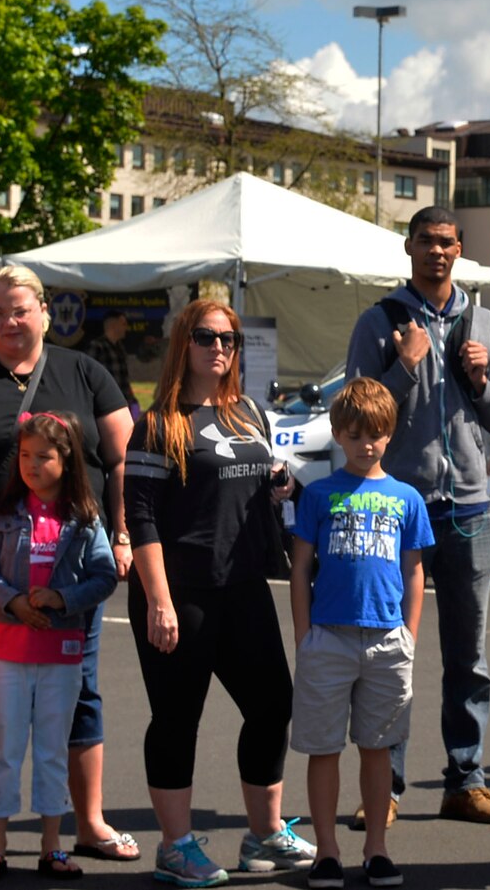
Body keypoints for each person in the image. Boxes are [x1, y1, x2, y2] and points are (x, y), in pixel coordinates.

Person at [0, 265, 137, 863]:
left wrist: (121, 533)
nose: (10, 322)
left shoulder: (85, 372)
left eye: (20, 309)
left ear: (43, 310)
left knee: (81, 692)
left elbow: (123, 459)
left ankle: (88, 823)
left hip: (72, 570)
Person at [342, 205, 490, 826]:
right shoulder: (380, 321)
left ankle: (464, 780)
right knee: (391, 651)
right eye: (425, 242)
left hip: (468, 509)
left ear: (459, 249)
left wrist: (477, 379)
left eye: (446, 242)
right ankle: (383, 788)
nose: (436, 252)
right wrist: (406, 364)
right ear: (408, 247)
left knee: (467, 655)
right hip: (395, 507)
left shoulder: (486, 324)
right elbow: (355, 415)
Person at [126, 302, 311, 887]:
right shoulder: (158, 423)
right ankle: (175, 847)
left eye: (228, 337)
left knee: (272, 704)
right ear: (184, 342)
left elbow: (260, 488)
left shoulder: (248, 411)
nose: (220, 347)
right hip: (180, 592)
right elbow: (143, 517)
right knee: (178, 719)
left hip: (243, 586)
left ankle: (263, 834)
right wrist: (159, 599)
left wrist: (281, 485)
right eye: (206, 336)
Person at [290, 378, 433, 890]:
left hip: (387, 640)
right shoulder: (320, 494)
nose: (363, 443)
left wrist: (409, 635)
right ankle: (326, 851)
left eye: (373, 434)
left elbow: (414, 571)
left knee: (378, 747)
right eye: (352, 435)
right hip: (327, 639)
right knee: (323, 748)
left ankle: (376, 848)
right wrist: (304, 635)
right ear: (337, 434)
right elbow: (301, 567)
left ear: (389, 434)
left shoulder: (407, 498)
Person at [0, 412, 120, 881]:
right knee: (6, 750)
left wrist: (60, 599)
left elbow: (104, 576)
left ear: (66, 458)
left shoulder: (85, 518)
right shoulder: (5, 514)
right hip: (8, 652)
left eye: (44, 457)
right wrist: (12, 602)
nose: (32, 466)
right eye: (26, 457)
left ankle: (52, 846)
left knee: (53, 750)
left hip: (62, 654)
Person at [83, 312, 137, 412]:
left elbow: (123, 379)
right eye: (123, 324)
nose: (126, 328)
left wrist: (133, 402)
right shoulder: (97, 346)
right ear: (113, 325)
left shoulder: (120, 347)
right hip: (105, 405)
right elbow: (87, 377)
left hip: (123, 403)